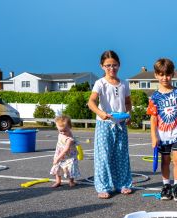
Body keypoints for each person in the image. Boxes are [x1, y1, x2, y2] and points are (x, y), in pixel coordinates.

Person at [88, 50, 133, 199]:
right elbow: (91, 102)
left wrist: (128, 114)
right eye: (108, 66)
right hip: (104, 124)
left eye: (114, 65)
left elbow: (127, 102)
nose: (111, 68)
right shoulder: (100, 83)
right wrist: (100, 113)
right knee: (103, 156)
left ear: (119, 65)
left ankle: (123, 184)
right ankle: (103, 186)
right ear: (102, 66)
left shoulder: (124, 83)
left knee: (121, 155)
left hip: (120, 124)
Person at [147, 58, 177, 202]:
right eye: (161, 74)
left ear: (173, 74)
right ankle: (166, 186)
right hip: (162, 134)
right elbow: (153, 118)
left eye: (168, 74)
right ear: (156, 75)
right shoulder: (154, 97)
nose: (165, 77)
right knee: (165, 160)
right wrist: (154, 136)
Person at [50, 115, 81, 188]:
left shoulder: (69, 139)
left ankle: (71, 181)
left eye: (65, 130)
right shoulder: (61, 133)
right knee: (57, 167)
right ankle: (58, 181)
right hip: (60, 153)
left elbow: (66, 149)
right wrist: (57, 157)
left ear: (70, 128)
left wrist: (58, 158)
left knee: (70, 167)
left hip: (69, 155)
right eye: (60, 130)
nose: (63, 132)